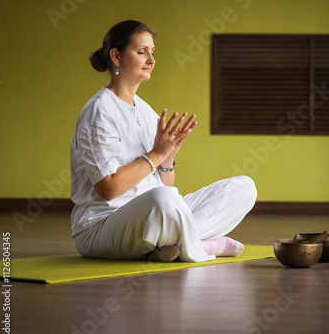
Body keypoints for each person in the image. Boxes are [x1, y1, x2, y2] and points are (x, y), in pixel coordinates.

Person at [70, 20, 257, 263]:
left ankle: (172, 244)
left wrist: (167, 157)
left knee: (243, 187)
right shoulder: (100, 111)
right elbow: (108, 189)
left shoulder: (146, 112)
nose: (151, 59)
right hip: (101, 226)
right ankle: (203, 246)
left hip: (152, 217)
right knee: (165, 199)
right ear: (116, 56)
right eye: (141, 52)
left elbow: (165, 183)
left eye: (152, 52)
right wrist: (156, 155)